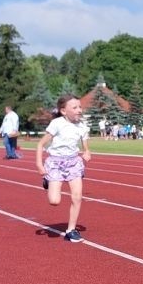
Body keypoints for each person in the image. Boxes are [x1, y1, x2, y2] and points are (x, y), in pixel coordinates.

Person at [35, 94, 92, 243]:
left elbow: (85, 146)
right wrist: (40, 165)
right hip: (55, 164)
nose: (79, 110)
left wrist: (86, 152)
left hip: (73, 163)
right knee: (54, 201)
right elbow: (41, 144)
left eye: (80, 107)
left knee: (77, 196)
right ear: (63, 111)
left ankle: (71, 230)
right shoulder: (57, 124)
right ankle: (47, 180)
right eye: (75, 107)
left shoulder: (82, 126)